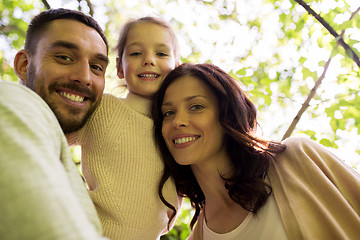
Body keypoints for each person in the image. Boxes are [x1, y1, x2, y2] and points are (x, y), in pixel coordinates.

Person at [151, 63, 360, 240]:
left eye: (196, 106)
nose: (177, 121)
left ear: (227, 115)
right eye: (168, 112)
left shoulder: (297, 159)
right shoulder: (199, 236)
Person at [67, 16, 181, 239]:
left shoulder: (178, 126)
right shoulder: (103, 108)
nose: (149, 60)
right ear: (120, 67)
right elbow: (48, 132)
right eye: (136, 53)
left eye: (161, 53)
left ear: (176, 67)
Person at [0, 8, 109, 240]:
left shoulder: (52, 151)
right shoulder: (12, 103)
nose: (85, 77)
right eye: (64, 57)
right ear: (23, 65)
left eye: (97, 67)